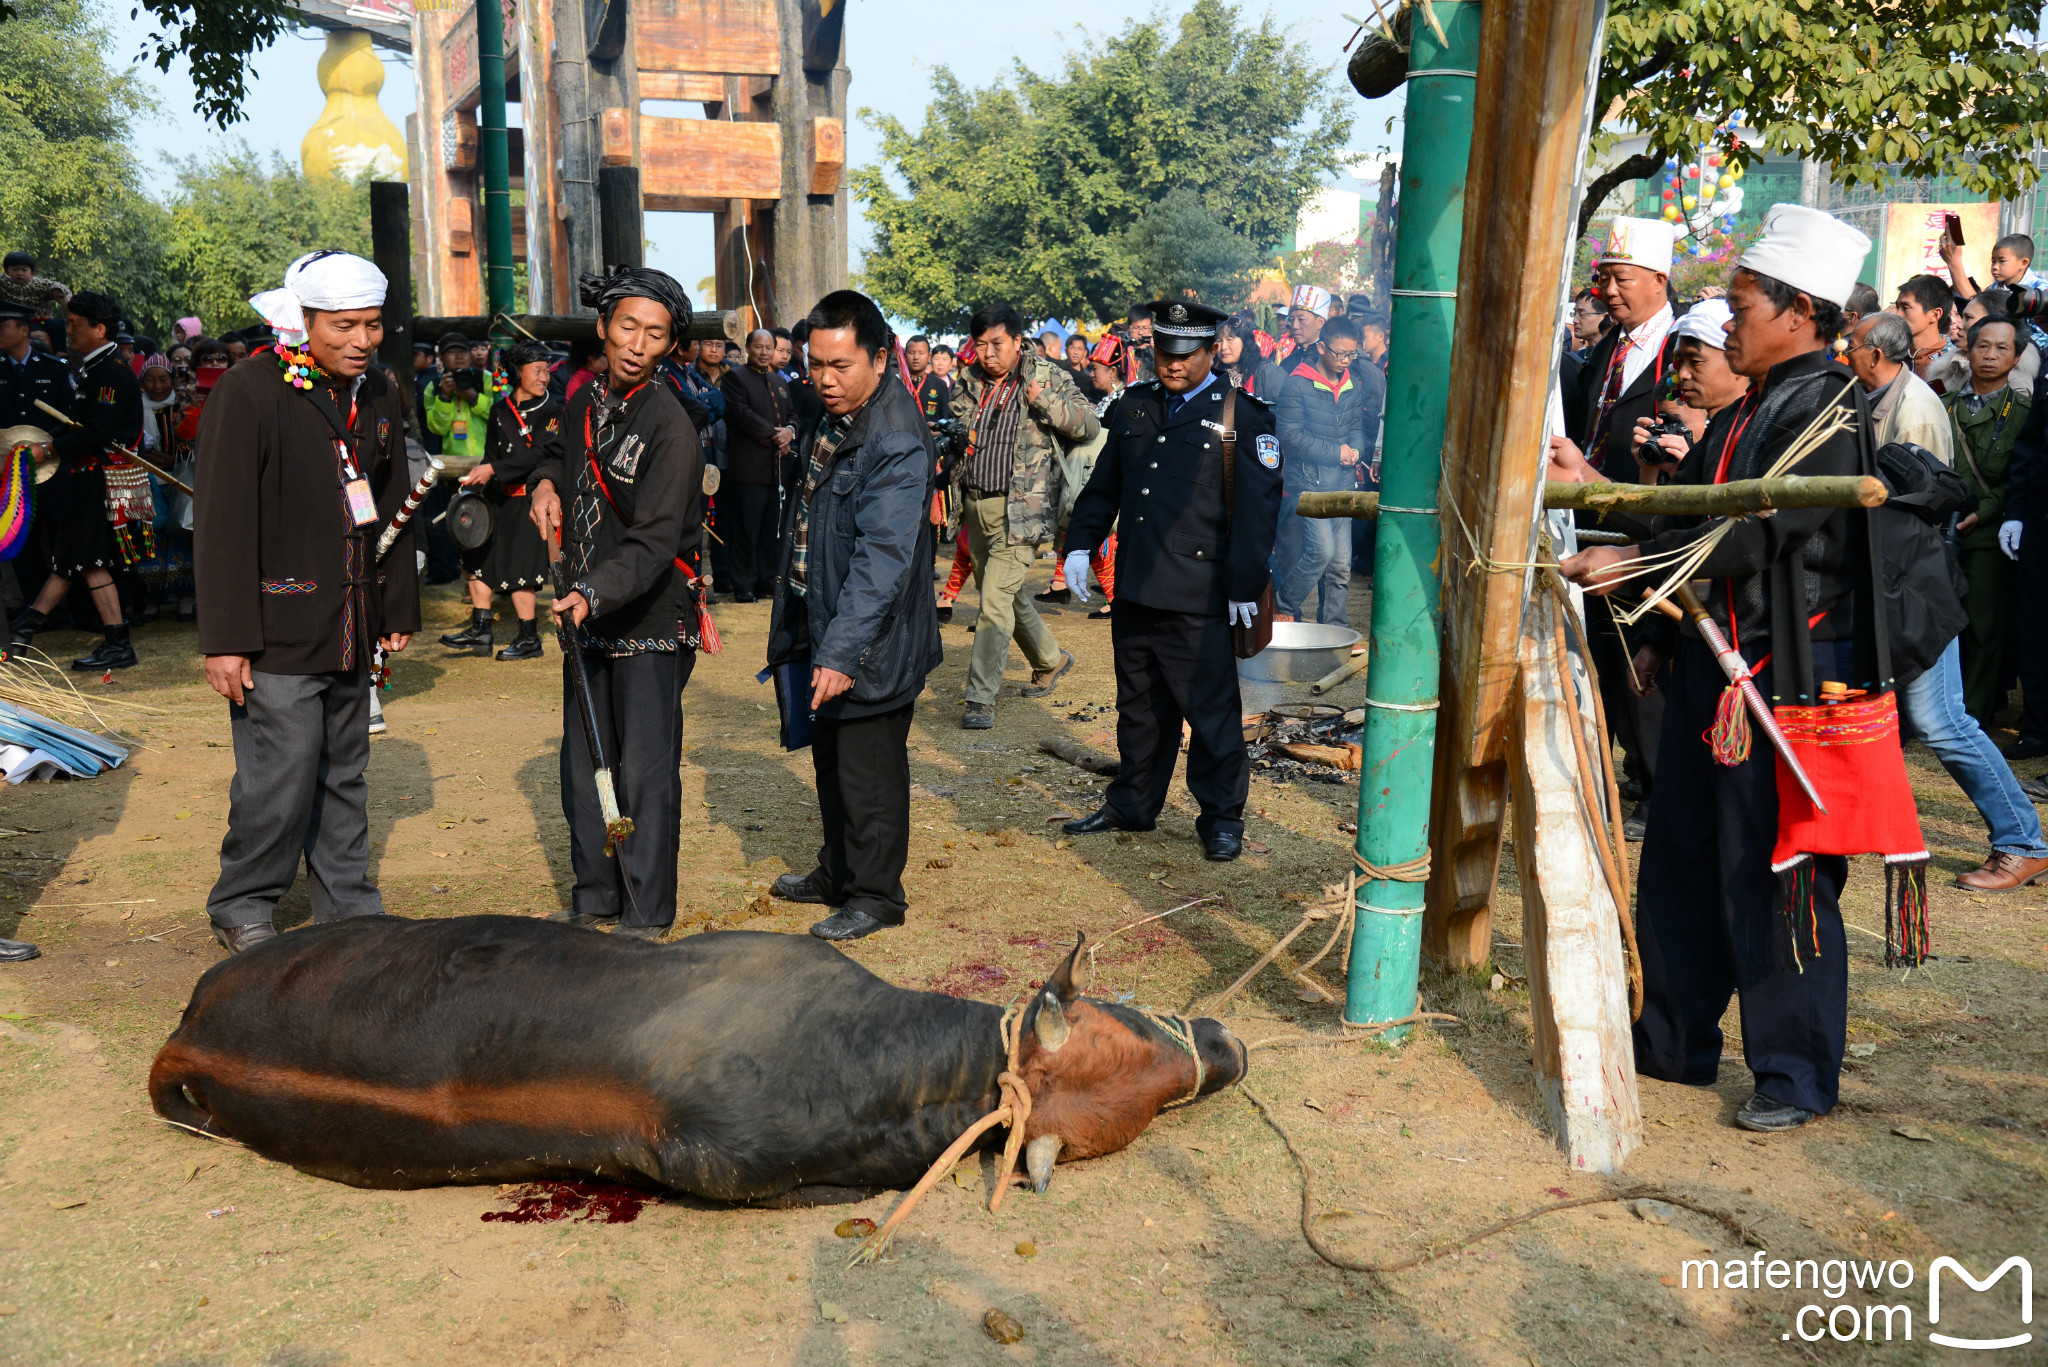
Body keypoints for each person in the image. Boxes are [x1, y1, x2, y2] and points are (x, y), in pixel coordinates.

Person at [1562, 205, 1904, 1133]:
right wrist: (1593, 492)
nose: (1729, 319)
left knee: (1772, 869)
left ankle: (1794, 1072)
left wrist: (1632, 566)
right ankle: (1673, 1039)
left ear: (1798, 310)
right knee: (1678, 855)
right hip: (1711, 667)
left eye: (1743, 302)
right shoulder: (1746, 407)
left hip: (1782, 676)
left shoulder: (1828, 406)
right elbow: (1689, 517)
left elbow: (1761, 531)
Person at [192, 250, 420, 954]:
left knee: (345, 768)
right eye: (344, 325)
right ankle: (242, 902)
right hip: (276, 625)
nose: (361, 340)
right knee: (280, 772)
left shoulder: (380, 391)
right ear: (304, 320)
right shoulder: (249, 390)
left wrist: (398, 608)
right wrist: (226, 638)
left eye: (373, 325)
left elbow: (392, 507)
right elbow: (224, 520)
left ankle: (348, 903)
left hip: (354, 620)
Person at [1061, 299, 1282, 862]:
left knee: (1209, 710)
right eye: (1164, 352)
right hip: (1135, 587)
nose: (1173, 364)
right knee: (1138, 706)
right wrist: (1080, 543)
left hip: (1198, 591)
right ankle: (1132, 803)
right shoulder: (1135, 407)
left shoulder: (1243, 416)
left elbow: (1257, 515)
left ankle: (1221, 817)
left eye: (1186, 354)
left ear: (1212, 352)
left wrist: (1241, 585)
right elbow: (1106, 487)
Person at [1837, 316, 2048, 890]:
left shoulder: (1916, 409)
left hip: (1913, 587)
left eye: (1850, 345)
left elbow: (1922, 511)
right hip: (1890, 586)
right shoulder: (1863, 397)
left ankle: (2023, 840)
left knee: (1942, 720)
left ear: (1876, 353)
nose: (1843, 353)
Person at [527, 267, 705, 939]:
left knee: (645, 769)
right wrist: (544, 482)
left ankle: (644, 909)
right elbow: (553, 448)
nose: (636, 343)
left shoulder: (671, 426)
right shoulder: (581, 400)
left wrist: (592, 592)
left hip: (648, 617)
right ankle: (594, 892)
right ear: (603, 328)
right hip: (584, 613)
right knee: (584, 759)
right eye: (626, 326)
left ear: (669, 345)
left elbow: (657, 539)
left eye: (654, 333)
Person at [765, 290, 943, 941]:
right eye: (816, 364)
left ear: (878, 355)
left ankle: (876, 895)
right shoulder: (836, 412)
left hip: (873, 639)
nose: (825, 378)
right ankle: (837, 870)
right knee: (832, 760)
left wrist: (841, 652)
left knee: (869, 770)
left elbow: (884, 558)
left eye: (840, 364)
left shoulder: (894, 433)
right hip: (829, 623)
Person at [1559, 216, 1683, 809]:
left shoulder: (1682, 348)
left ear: (1659, 279)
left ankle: (1663, 789)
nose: (1608, 291)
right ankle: (1623, 774)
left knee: (1642, 662)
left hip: (1649, 525)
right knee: (1602, 658)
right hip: (1592, 518)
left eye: (1621, 279)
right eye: (1604, 278)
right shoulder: (1608, 344)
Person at [945, 302, 1095, 729]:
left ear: (1016, 340)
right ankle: (1051, 659)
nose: (988, 354)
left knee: (992, 602)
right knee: (1005, 594)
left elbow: (1089, 425)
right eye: (980, 346)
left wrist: (1045, 401)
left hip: (1022, 512)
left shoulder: (1047, 376)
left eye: (996, 344)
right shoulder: (969, 380)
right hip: (975, 506)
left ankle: (980, 700)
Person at [8, 292, 145, 667]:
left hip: (103, 476)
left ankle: (28, 629)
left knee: (81, 557)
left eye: (75, 324)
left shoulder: (111, 372)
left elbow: (97, 433)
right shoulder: (95, 368)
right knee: (77, 557)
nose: (68, 330)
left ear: (99, 330)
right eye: (68, 323)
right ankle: (28, 631)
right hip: (89, 475)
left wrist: (50, 447)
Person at [1944, 316, 2027, 727]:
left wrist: (1987, 510)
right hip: (1943, 533)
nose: (1990, 355)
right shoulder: (1943, 407)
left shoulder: (2022, 412)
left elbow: (2020, 477)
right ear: (1968, 350)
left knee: (1983, 629)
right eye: (1982, 346)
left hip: (1990, 537)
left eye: (2001, 348)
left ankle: (1972, 713)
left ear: (2016, 357)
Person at [452, 341, 559, 661]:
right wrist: (478, 482)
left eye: (546, 370)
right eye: (537, 370)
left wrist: (493, 469)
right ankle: (480, 630)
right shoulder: (500, 410)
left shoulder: (553, 411)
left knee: (520, 570)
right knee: (478, 561)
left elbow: (541, 454)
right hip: (499, 500)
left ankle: (529, 639)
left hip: (530, 502)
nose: (544, 377)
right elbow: (491, 455)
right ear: (517, 373)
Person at [1274, 315, 1371, 627]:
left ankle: (1335, 628)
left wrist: (1356, 451)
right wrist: (1336, 453)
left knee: (1341, 565)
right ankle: (1284, 604)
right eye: (1339, 353)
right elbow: (1289, 437)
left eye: (1350, 354)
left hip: (1342, 484)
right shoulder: (1297, 384)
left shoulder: (1352, 385)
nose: (1344, 361)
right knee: (1321, 553)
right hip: (1309, 486)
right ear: (1321, 348)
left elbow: (1357, 428)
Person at [1040, 334, 1127, 615]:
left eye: (1095, 369)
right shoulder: (1109, 400)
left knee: (1097, 535)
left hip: (1108, 481)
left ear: (1112, 372)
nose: (1091, 374)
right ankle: (1059, 583)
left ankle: (1114, 597)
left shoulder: (1123, 403)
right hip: (1094, 476)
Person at [718, 327, 796, 602]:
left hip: (777, 470)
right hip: (749, 469)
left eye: (769, 347)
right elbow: (742, 415)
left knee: (771, 532)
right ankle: (744, 585)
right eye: (759, 347)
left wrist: (790, 432)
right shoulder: (735, 378)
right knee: (746, 531)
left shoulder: (780, 382)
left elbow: (792, 415)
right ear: (748, 348)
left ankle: (767, 580)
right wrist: (777, 435)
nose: (764, 352)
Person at [1844, 312, 1949, 457]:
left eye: (1851, 347)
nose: (1845, 353)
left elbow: (1914, 477)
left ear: (1875, 356)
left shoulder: (1915, 412)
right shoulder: (1858, 390)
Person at [0, 299, 72, 429]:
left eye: (2, 327)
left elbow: (68, 416)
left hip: (46, 446)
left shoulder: (55, 368)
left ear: (24, 330)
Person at [1894, 273, 1960, 390]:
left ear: (1935, 315)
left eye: (1906, 307)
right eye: (1897, 307)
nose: (1898, 314)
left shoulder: (1954, 364)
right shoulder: (1891, 356)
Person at [0, 252, 70, 316]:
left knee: (56, 323)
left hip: (39, 320)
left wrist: (56, 289)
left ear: (32, 273)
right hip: (11, 321)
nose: (20, 273)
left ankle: (76, 319)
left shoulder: (39, 284)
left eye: (24, 270)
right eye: (14, 270)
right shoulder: (4, 282)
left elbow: (58, 286)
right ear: (7, 271)